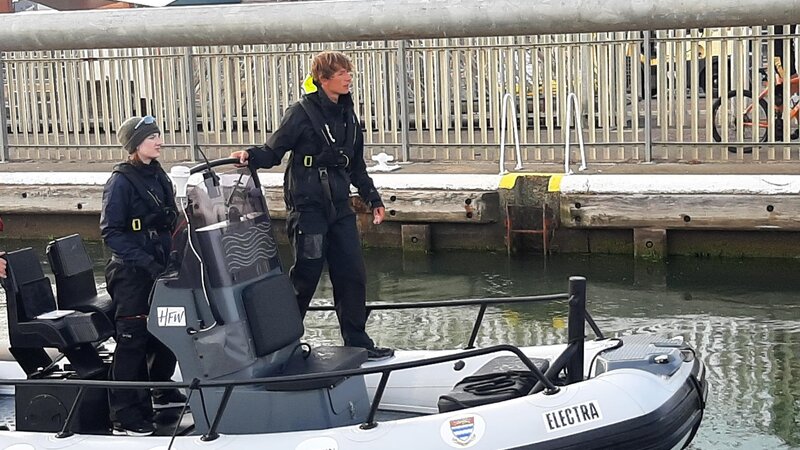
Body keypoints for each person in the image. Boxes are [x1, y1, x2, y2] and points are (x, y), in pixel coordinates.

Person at [232, 50, 393, 361]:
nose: (348, 78)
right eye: (342, 73)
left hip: (339, 206)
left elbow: (356, 165)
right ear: (323, 79)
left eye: (349, 72)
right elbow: (272, 152)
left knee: (352, 274)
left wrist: (373, 198)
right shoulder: (300, 114)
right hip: (308, 207)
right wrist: (249, 156)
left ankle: (358, 342)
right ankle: (282, 344)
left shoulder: (348, 115)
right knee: (306, 274)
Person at [100, 115, 185, 436]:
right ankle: (123, 415)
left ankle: (160, 387)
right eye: (153, 137)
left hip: (160, 266)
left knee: (166, 330)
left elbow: (171, 217)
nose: (160, 141)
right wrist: (146, 262)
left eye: (159, 135)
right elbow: (111, 232)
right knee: (133, 340)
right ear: (136, 145)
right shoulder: (121, 182)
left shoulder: (157, 174)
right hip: (131, 273)